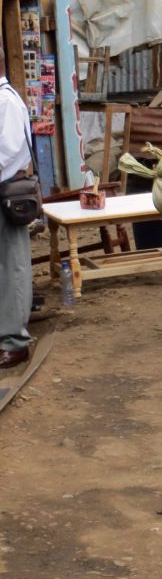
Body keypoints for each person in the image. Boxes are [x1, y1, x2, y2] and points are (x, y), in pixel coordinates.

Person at [0, 47, 33, 369]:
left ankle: (15, 341)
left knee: (11, 267)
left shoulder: (6, 101)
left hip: (4, 191)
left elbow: (8, 153)